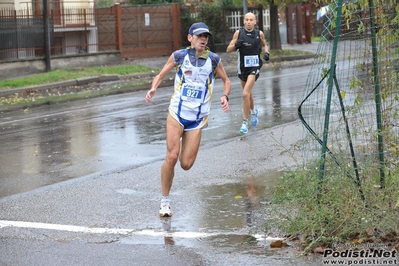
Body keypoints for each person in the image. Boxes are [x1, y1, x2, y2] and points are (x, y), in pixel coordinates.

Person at [145, 22, 231, 217]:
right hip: (177, 113)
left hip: (197, 119)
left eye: (206, 36)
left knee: (185, 164)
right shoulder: (180, 56)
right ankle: (165, 202)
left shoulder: (214, 60)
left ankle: (185, 139)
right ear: (190, 37)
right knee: (172, 156)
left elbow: (226, 81)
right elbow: (160, 74)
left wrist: (225, 96)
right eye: (199, 35)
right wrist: (153, 88)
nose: (203, 39)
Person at [226, 12, 269, 134]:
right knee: (248, 93)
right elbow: (228, 49)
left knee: (245, 94)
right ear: (244, 21)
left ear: (255, 22)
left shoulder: (259, 34)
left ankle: (245, 122)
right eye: (247, 20)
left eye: (251, 20)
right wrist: (236, 45)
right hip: (242, 68)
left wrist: (267, 53)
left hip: (254, 67)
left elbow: (265, 45)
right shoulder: (238, 33)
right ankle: (254, 111)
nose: (249, 22)